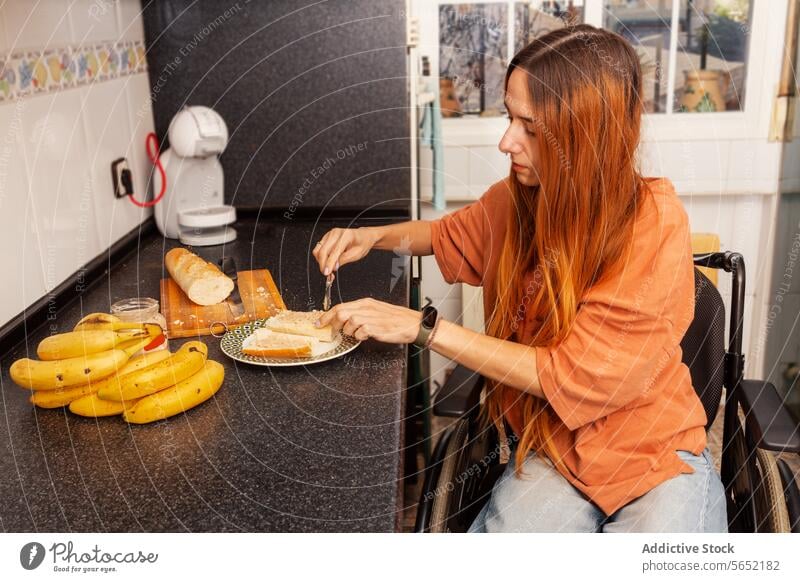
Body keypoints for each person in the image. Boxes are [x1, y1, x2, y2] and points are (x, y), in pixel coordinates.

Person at [312, 24, 727, 533]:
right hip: (554, 449)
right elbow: (444, 234)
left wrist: (424, 328)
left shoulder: (654, 224)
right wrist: (372, 238)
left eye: (529, 126)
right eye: (510, 117)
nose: (507, 141)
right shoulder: (519, 200)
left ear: (585, 132)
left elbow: (570, 376)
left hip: (652, 456)